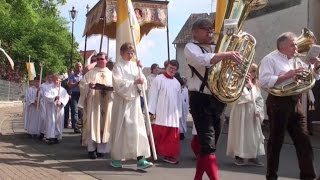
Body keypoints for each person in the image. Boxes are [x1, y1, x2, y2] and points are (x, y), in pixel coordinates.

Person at [184, 18, 242, 180]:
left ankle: (197, 178)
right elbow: (201, 60)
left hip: (218, 99)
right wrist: (225, 53)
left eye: (211, 28)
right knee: (208, 145)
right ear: (195, 32)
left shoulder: (217, 46)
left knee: (210, 145)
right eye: (205, 29)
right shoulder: (190, 47)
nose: (210, 31)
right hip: (200, 99)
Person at [259, 32, 319, 180]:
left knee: (303, 140)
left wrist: (315, 67)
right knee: (276, 141)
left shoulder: (296, 59)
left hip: (295, 102)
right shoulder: (270, 59)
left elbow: (311, 76)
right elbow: (264, 81)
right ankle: (271, 175)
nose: (297, 47)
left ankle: (308, 176)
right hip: (278, 103)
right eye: (293, 44)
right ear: (282, 46)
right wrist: (287, 75)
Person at [109, 42, 153, 170]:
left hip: (134, 103)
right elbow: (118, 84)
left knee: (138, 129)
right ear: (122, 53)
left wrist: (141, 78)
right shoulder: (118, 66)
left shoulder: (135, 66)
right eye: (128, 52)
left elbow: (143, 84)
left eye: (132, 52)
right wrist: (133, 82)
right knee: (121, 130)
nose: (130, 54)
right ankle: (117, 159)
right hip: (122, 102)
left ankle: (141, 159)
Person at [226, 63, 265, 167]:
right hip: (241, 112)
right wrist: (248, 88)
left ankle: (253, 156)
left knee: (253, 135)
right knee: (240, 134)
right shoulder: (237, 82)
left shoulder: (256, 85)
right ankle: (239, 156)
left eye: (254, 72)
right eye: (251, 71)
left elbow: (260, 99)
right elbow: (238, 97)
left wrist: (259, 110)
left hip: (252, 113)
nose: (253, 74)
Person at [78, 52, 113, 159]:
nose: (99, 61)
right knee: (93, 125)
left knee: (105, 125)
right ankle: (91, 149)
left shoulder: (111, 74)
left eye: (102, 59)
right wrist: (89, 86)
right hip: (94, 103)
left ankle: (101, 150)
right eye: (98, 59)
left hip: (107, 103)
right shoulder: (90, 73)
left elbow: (117, 87)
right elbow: (82, 85)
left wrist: (111, 88)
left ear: (106, 60)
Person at [148, 60, 182, 164]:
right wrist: (151, 111)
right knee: (158, 133)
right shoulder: (158, 79)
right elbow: (153, 95)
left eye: (174, 69)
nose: (172, 70)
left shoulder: (177, 83)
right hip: (161, 111)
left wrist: (179, 113)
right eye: (170, 68)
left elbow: (178, 99)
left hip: (173, 114)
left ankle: (169, 155)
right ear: (167, 67)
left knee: (172, 136)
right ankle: (153, 152)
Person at [44, 74, 69, 145]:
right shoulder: (49, 88)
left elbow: (66, 97)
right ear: (53, 80)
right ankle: (51, 137)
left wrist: (61, 102)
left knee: (58, 122)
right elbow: (46, 96)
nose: (56, 81)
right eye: (55, 80)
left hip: (59, 108)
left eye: (58, 80)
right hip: (51, 108)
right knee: (52, 121)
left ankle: (57, 136)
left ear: (60, 81)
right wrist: (54, 98)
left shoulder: (63, 90)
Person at [68, 62, 83, 133]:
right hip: (74, 94)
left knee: (81, 111)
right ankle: (76, 126)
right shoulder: (72, 75)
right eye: (77, 66)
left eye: (80, 66)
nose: (78, 68)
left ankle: (80, 126)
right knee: (75, 110)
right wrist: (77, 83)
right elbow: (70, 85)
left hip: (82, 94)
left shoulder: (84, 75)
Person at [38, 72, 54, 140]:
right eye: (48, 77)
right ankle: (42, 132)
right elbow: (40, 94)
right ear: (46, 78)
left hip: (51, 105)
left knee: (50, 120)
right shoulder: (43, 85)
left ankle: (49, 135)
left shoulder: (54, 85)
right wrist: (38, 91)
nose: (50, 78)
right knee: (43, 118)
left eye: (51, 77)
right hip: (44, 104)